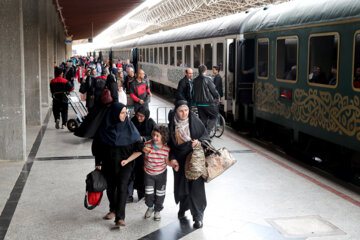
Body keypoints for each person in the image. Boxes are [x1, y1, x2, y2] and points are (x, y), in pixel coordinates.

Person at [93, 102, 143, 227]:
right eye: (122, 113)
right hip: (108, 163)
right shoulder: (105, 129)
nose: (124, 115)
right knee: (110, 188)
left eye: (126, 112)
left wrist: (132, 157)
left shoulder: (130, 128)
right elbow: (98, 147)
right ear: (114, 114)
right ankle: (113, 209)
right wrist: (97, 163)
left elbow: (138, 147)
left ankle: (120, 217)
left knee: (122, 188)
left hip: (125, 164)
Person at [168, 100, 210, 229]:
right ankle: (183, 207)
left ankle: (198, 217)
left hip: (194, 160)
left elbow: (206, 137)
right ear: (176, 111)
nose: (184, 113)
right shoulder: (172, 125)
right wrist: (172, 158)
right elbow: (169, 145)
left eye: (186, 110)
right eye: (181, 111)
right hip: (180, 161)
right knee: (182, 187)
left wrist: (199, 142)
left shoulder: (195, 121)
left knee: (196, 189)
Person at [143, 125, 171, 221]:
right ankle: (150, 207)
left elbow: (167, 162)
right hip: (148, 174)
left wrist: (174, 165)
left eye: (157, 135)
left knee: (160, 194)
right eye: (153, 135)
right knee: (149, 193)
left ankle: (157, 210)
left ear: (163, 136)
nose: (154, 137)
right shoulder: (147, 145)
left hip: (161, 174)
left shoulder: (166, 149)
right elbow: (139, 152)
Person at [130, 106, 156, 202]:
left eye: (141, 116)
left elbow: (156, 136)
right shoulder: (133, 121)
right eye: (138, 116)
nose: (139, 118)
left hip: (146, 152)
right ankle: (130, 194)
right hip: (134, 150)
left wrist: (143, 138)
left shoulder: (150, 123)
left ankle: (143, 193)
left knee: (143, 173)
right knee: (133, 172)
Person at [193, 65, 221, 134]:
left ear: (199, 71)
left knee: (203, 120)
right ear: (205, 71)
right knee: (214, 115)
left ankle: (203, 135)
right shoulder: (207, 79)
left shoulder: (195, 80)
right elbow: (213, 90)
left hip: (199, 104)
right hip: (208, 103)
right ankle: (207, 133)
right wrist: (217, 97)